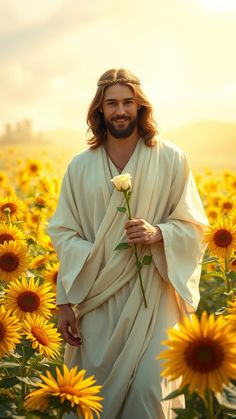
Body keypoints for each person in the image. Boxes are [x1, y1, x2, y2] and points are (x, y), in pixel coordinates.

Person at [48, 68, 208, 419]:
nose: (120, 110)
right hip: (97, 298)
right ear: (100, 111)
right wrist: (65, 303)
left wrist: (160, 233)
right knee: (96, 399)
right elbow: (63, 233)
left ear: (140, 107)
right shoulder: (80, 166)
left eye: (127, 102)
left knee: (149, 393)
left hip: (153, 297)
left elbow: (195, 226)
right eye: (112, 103)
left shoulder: (171, 158)